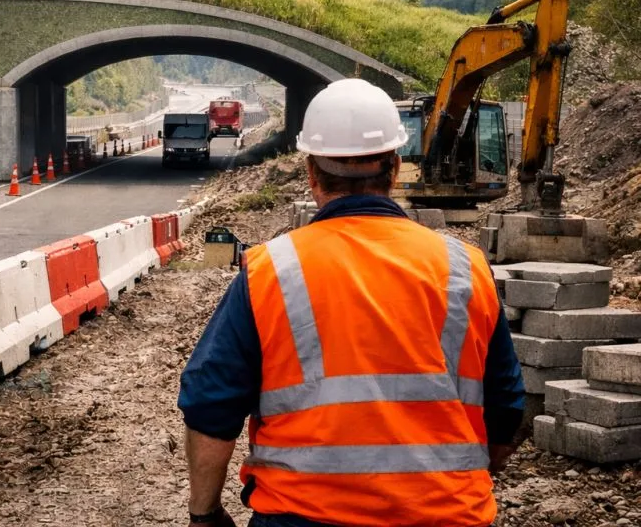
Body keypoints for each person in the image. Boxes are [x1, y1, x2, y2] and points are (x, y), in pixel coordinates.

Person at [178, 78, 525, 527]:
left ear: (311, 173)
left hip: (303, 516)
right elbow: (506, 405)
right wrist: (470, 476)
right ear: (396, 168)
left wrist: (203, 513)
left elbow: (211, 404)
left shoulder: (271, 271)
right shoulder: (466, 268)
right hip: (445, 515)